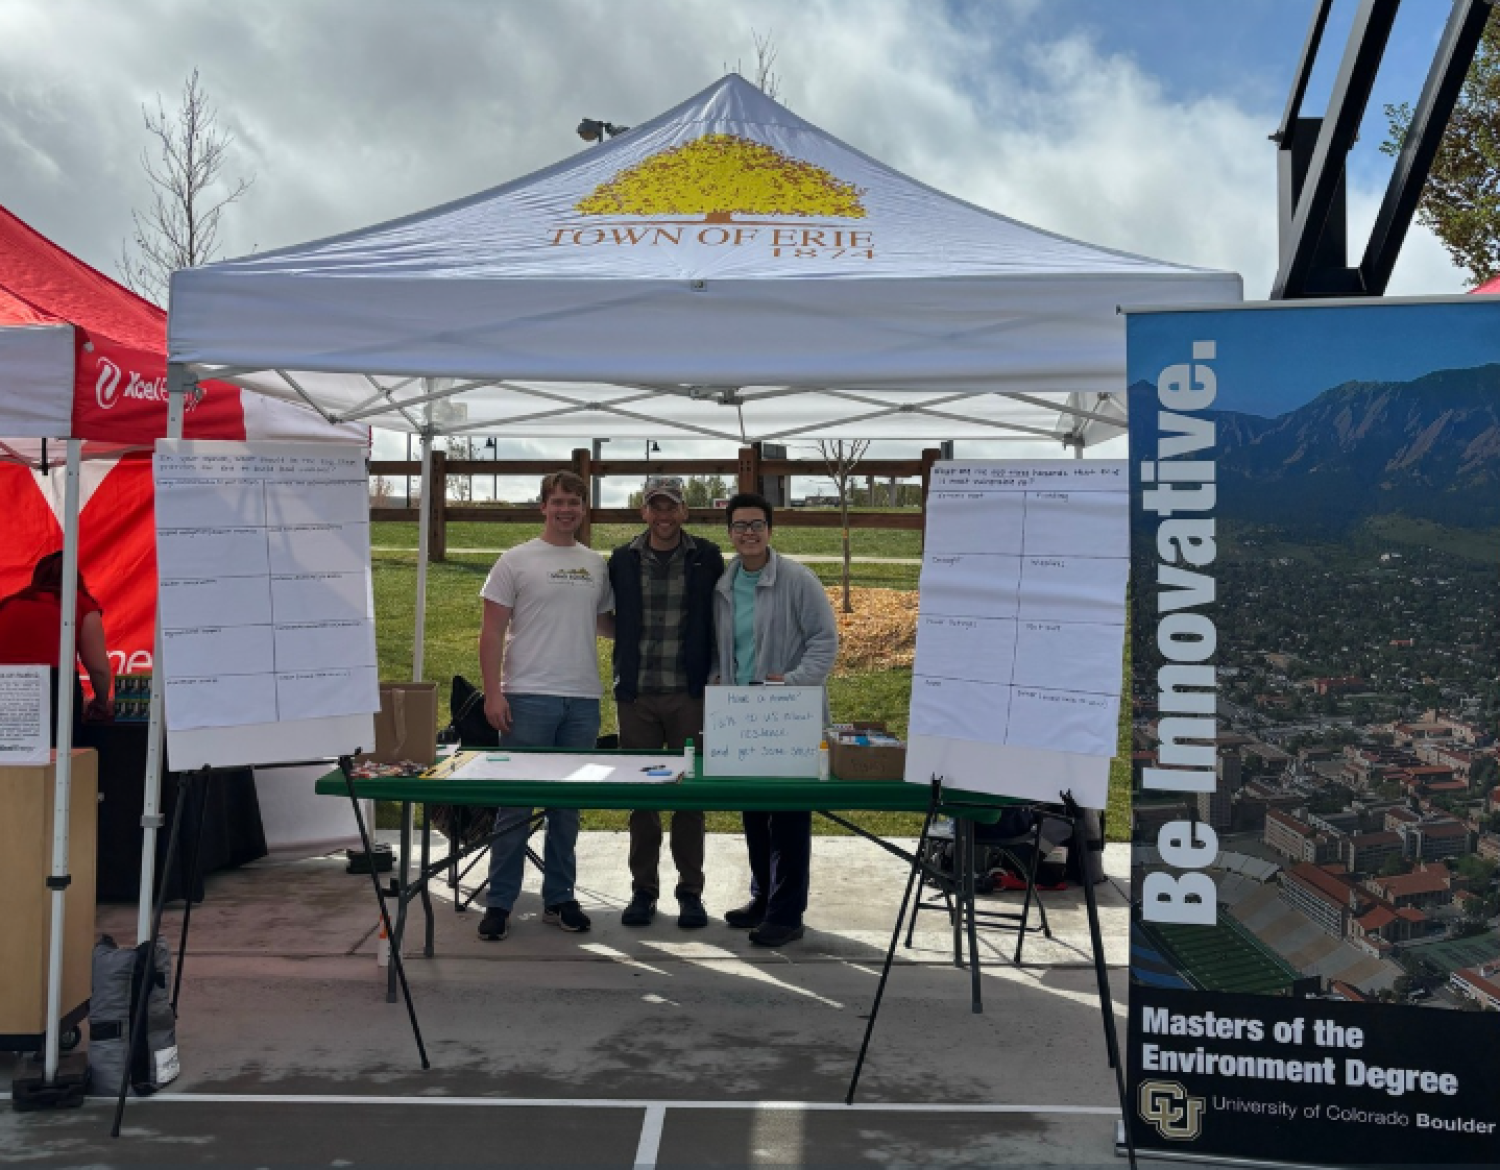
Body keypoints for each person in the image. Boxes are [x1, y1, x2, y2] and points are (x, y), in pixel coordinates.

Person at [476, 470, 614, 942]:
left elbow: (607, 624)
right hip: (526, 698)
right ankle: (500, 902)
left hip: (581, 701)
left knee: (566, 809)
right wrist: (494, 693)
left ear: (583, 508)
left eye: (574, 502)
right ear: (543, 506)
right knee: (514, 807)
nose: (566, 509)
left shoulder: (595, 564)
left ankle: (560, 898)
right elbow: (491, 631)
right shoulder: (515, 561)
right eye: (557, 501)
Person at [713, 492, 838, 946]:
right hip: (743, 713)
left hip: (788, 712)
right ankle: (762, 897)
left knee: (786, 815)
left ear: (770, 530)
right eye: (740, 525)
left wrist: (791, 682)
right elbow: (723, 649)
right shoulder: (723, 586)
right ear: (729, 532)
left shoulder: (798, 580)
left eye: (757, 524)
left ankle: (787, 914)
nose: (749, 532)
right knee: (754, 812)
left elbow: (825, 642)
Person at [608, 476, 725, 929]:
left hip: (688, 695)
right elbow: (606, 616)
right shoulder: (621, 559)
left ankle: (690, 891)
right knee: (642, 798)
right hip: (637, 696)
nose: (662, 515)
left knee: (689, 798)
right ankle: (644, 890)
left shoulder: (707, 558)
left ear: (683, 512)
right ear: (643, 512)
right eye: (654, 507)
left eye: (670, 507)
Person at [0, 551, 113, 746]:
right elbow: (98, 669)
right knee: (57, 758)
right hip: (52, 688)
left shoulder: (8, 604)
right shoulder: (80, 603)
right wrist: (101, 703)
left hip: (6, 687)